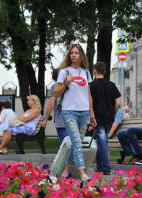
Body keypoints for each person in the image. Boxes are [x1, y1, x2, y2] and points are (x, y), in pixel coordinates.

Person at [54, 43, 96, 182]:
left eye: (76, 53)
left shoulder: (86, 73)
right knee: (77, 142)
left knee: (75, 143)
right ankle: (82, 172)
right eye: (71, 53)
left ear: (81, 55)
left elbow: (89, 95)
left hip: (83, 113)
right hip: (69, 111)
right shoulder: (64, 72)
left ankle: (66, 170)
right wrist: (66, 82)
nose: (73, 55)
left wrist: (92, 114)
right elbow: (56, 93)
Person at [90, 61, 121, 175]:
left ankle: (106, 168)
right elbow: (118, 103)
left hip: (97, 117)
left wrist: (91, 116)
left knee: (101, 141)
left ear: (94, 71)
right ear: (105, 71)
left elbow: (89, 102)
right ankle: (99, 166)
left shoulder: (91, 85)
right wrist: (113, 113)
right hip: (109, 117)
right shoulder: (112, 85)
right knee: (102, 142)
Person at [41, 69, 68, 145]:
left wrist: (45, 119)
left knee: (65, 146)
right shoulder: (71, 85)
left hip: (61, 119)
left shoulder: (55, 86)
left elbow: (51, 103)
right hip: (74, 118)